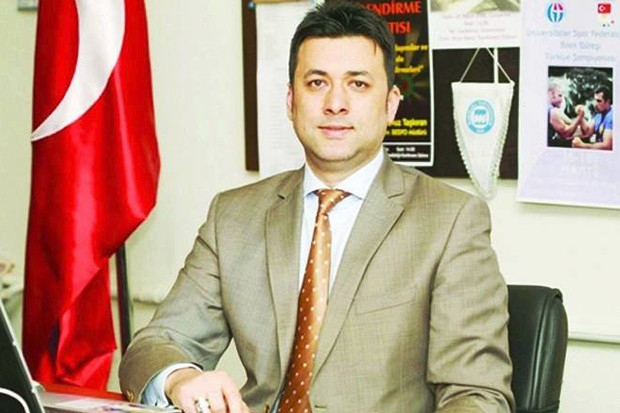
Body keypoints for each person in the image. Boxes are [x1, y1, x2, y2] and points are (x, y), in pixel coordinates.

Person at [119, 2, 514, 412]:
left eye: (358, 84)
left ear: (391, 105)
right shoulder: (233, 217)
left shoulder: (451, 221)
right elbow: (154, 345)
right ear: (291, 102)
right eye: (317, 83)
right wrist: (180, 378)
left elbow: (476, 395)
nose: (335, 103)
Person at [572, 85, 613, 150]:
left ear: (608, 101)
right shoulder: (599, 114)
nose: (595, 104)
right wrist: (581, 116)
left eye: (599, 101)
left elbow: (607, 146)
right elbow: (587, 132)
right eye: (595, 100)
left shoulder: (612, 116)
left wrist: (582, 145)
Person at [547, 79, 584, 147]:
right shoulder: (553, 111)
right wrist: (580, 118)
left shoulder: (549, 109)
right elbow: (566, 133)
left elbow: (569, 122)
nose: (562, 99)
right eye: (560, 95)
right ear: (552, 95)